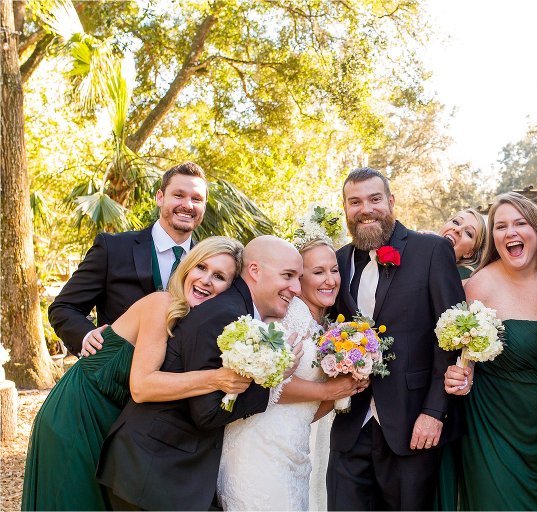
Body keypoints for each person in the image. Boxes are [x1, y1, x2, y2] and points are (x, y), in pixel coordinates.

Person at [21, 237, 252, 511]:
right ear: (188, 267)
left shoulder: (193, 319)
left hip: (111, 420)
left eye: (219, 276)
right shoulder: (163, 303)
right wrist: (216, 378)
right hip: (79, 413)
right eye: (201, 267)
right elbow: (142, 387)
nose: (205, 280)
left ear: (229, 288)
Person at [97, 235, 304, 511]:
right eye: (288, 276)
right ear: (255, 271)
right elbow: (207, 413)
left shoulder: (235, 311)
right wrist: (271, 381)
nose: (297, 288)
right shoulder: (224, 314)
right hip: (152, 470)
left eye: (219, 276)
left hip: (167, 469)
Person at [327, 167, 465, 511]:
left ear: (391, 201)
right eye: (355, 202)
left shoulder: (431, 250)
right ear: (345, 208)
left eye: (374, 199)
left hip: (413, 424)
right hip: (350, 425)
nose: (366, 209)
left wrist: (434, 412)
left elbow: (451, 337)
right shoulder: (338, 261)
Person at [440, 192, 537, 510]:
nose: (510, 232)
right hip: (494, 429)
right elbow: (467, 358)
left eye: (520, 223)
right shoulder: (478, 286)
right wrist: (461, 377)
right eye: (500, 226)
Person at [218, 237, 368, 511]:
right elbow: (267, 382)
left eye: (334, 270)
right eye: (318, 272)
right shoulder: (286, 315)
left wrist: (347, 385)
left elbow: (307, 409)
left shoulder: (326, 330)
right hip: (260, 447)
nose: (330, 280)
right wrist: (328, 390)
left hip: (294, 446)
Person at [49, 161, 208, 356]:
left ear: (204, 206)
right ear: (160, 197)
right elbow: (64, 308)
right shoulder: (112, 248)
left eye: (196, 199)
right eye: (179, 195)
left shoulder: (210, 262)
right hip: (116, 371)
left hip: (184, 374)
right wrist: (87, 336)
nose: (188, 205)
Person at [437, 208, 487, 279]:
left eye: (468, 233)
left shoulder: (464, 277)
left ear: (469, 253)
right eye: (456, 222)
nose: (458, 229)